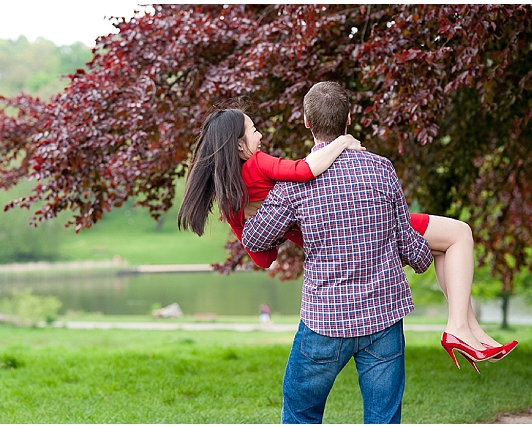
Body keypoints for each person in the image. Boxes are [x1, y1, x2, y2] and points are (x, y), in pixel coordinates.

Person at [241, 81, 507, 423]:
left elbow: (257, 240)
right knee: (383, 419)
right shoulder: (382, 169)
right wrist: (431, 255)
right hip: (383, 318)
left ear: (307, 122)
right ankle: (462, 327)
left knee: (301, 415)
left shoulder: (292, 184)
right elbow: (408, 245)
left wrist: (247, 208)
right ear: (349, 118)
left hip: (325, 321)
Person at [177, 107, 365, 269]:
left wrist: (276, 224)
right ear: (239, 144)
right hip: (349, 236)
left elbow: (264, 259)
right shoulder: (258, 163)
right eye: (254, 130)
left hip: (324, 257)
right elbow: (304, 169)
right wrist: (342, 141)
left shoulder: (230, 205)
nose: (260, 135)